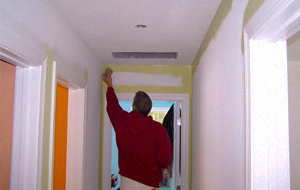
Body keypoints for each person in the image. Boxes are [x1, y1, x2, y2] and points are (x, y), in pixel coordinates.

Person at [103, 70, 173, 190]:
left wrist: (110, 85)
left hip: (127, 183)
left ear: (133, 106)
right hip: (150, 184)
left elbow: (112, 105)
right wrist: (164, 166)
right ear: (149, 110)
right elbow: (165, 157)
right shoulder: (158, 129)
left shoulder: (122, 120)